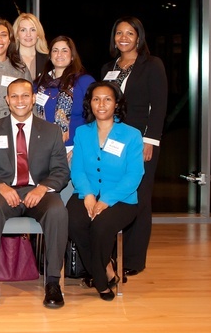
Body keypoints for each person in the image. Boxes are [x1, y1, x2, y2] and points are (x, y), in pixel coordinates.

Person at [0, 78, 69, 309]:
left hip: (39, 191)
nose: (20, 101)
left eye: (25, 96)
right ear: (7, 100)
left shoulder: (51, 131)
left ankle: (53, 282)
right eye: (15, 96)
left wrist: (42, 187)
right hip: (4, 191)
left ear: (34, 99)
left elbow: (61, 171)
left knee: (58, 210)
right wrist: (0, 185)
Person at [100, 16, 167, 277]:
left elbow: (159, 105)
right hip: (111, 138)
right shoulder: (109, 67)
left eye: (130, 33)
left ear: (139, 37)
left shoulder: (152, 65)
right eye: (119, 33)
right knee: (116, 193)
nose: (124, 38)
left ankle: (134, 259)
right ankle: (110, 255)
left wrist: (150, 140)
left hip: (140, 140)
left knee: (139, 197)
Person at [67, 81, 144, 301]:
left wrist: (106, 200)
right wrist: (89, 195)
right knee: (73, 221)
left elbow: (134, 175)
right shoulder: (82, 133)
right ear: (89, 103)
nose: (101, 104)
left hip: (121, 198)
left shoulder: (131, 135)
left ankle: (99, 280)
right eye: (96, 99)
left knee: (101, 226)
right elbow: (78, 169)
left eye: (107, 99)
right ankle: (106, 268)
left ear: (117, 104)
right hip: (86, 192)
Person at [33, 35, 95, 158]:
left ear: (72, 56)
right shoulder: (38, 84)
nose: (59, 54)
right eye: (55, 50)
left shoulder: (84, 82)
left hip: (74, 149)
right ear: (50, 56)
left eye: (64, 50)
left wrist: (78, 149)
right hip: (43, 149)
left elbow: (95, 119)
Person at [12, 13, 49, 79]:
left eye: (33, 30)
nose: (28, 34)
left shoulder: (48, 61)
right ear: (17, 35)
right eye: (23, 30)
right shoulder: (8, 59)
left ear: (38, 34)